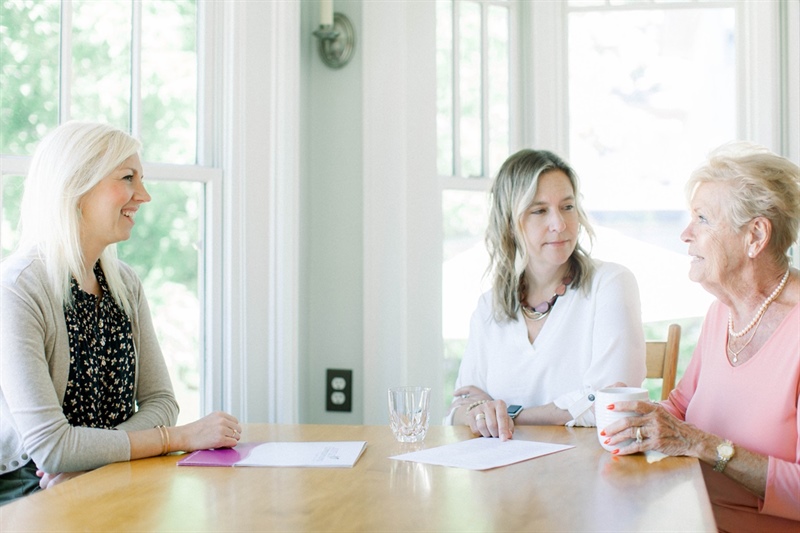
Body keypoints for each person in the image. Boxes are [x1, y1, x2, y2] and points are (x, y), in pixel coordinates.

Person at [0, 121, 241, 506]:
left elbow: (162, 401)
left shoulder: (124, 283)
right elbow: (50, 448)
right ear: (75, 187)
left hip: (104, 477)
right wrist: (177, 438)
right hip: (27, 489)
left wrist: (93, 459)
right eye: (128, 178)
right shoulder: (18, 289)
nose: (143, 196)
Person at [602, 142, 800, 532]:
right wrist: (637, 415)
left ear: (755, 236)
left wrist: (700, 444)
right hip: (686, 516)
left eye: (703, 219)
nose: (685, 234)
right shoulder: (722, 312)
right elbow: (681, 406)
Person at [446, 149, 646, 440]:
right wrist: (479, 409)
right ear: (510, 225)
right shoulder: (489, 306)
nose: (560, 224)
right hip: (503, 478)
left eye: (567, 207)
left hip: (589, 476)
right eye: (540, 211)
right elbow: (459, 407)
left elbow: (612, 406)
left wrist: (508, 415)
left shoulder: (611, 283)